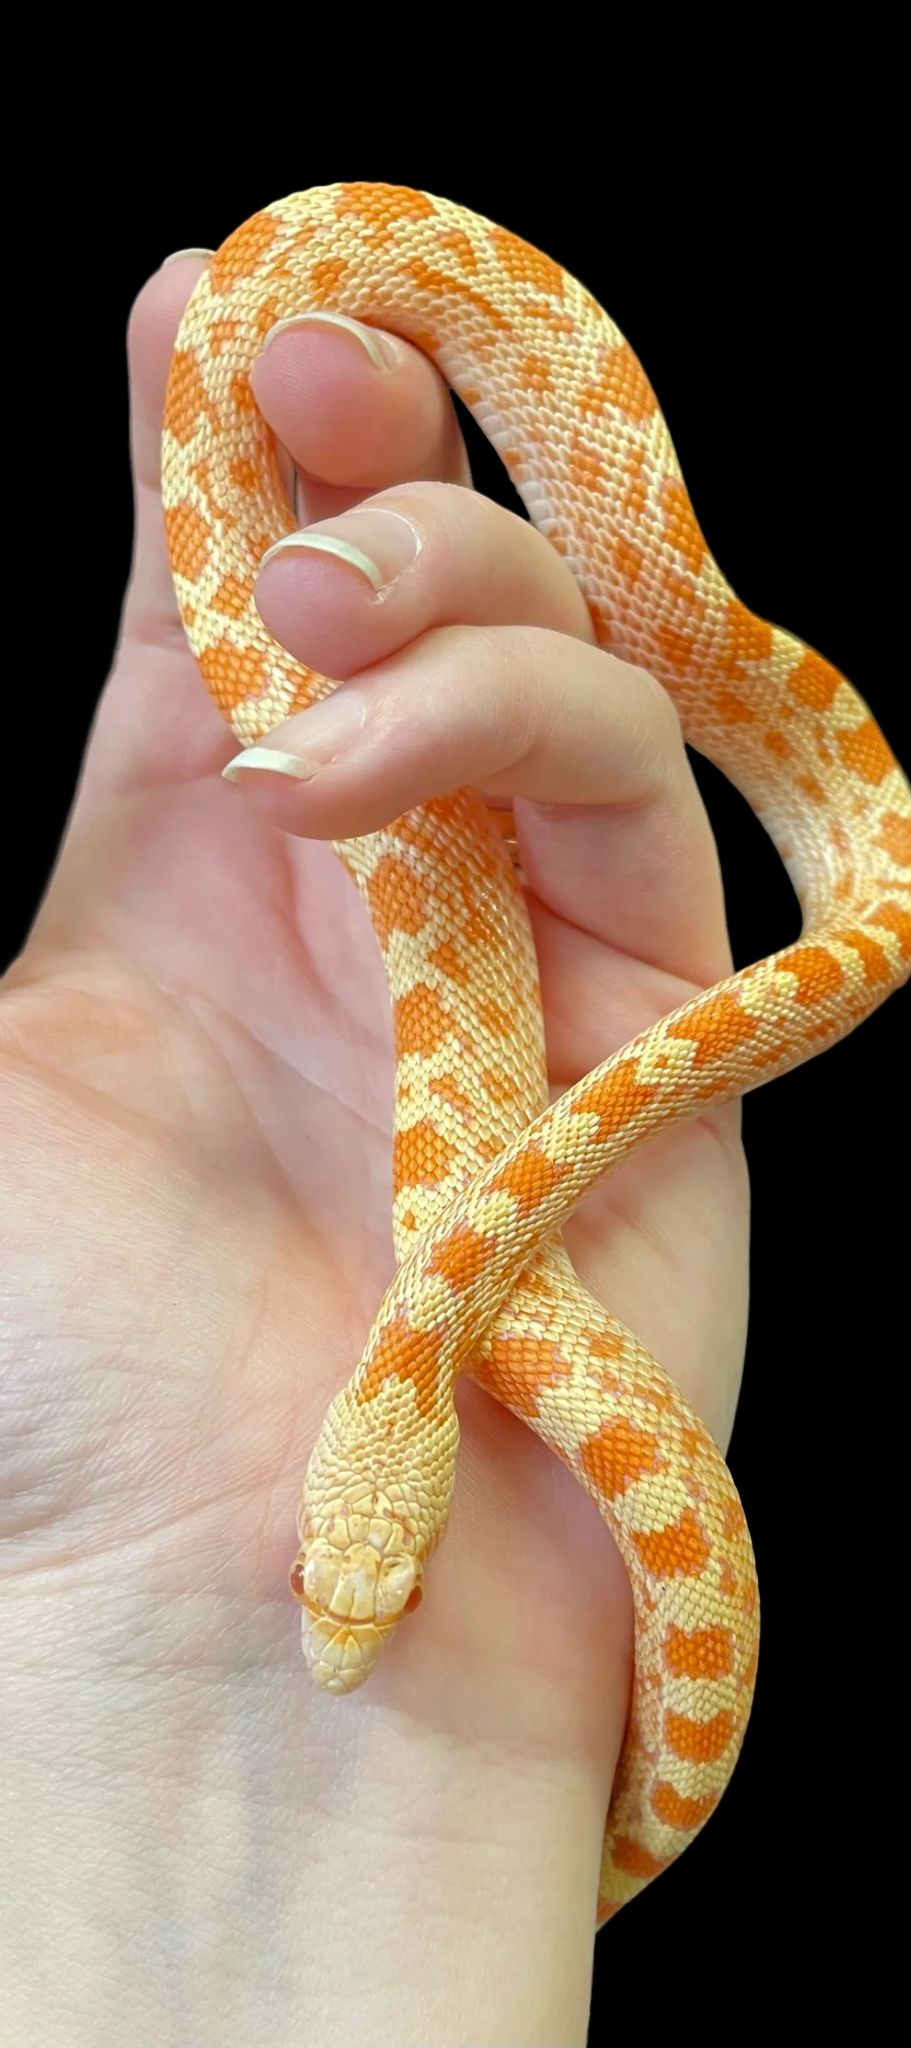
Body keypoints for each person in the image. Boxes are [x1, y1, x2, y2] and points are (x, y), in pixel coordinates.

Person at [0, 252, 750, 2045]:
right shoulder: (411, 1335)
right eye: (377, 1585)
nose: (347, 1620)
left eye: (350, 1584)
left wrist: (430, 1817)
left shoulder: (433, 1327)